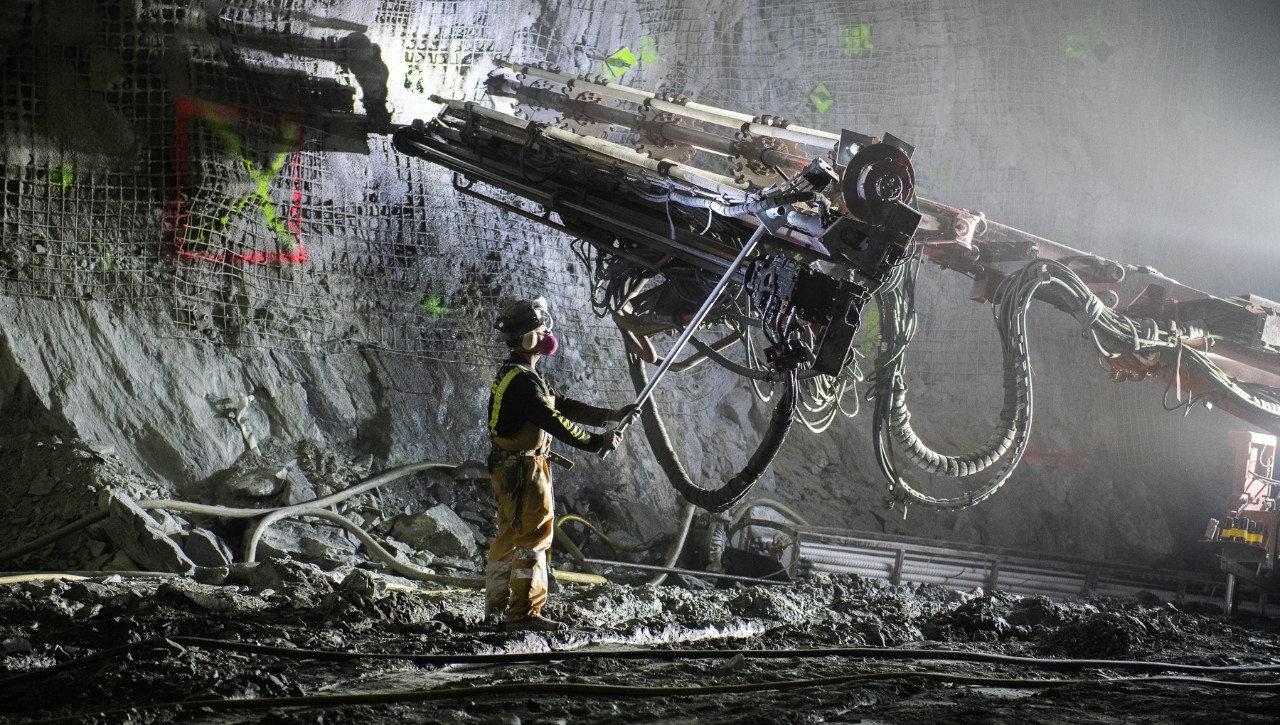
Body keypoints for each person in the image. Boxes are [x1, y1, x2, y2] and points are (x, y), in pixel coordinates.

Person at [485, 297, 636, 631]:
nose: (546, 335)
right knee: (533, 537)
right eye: (541, 329)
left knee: (508, 536)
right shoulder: (524, 382)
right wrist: (597, 442)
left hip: (509, 467)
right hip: (524, 470)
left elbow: (560, 405)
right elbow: (553, 421)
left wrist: (610, 415)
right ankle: (523, 613)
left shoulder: (519, 373)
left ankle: (496, 608)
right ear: (529, 338)